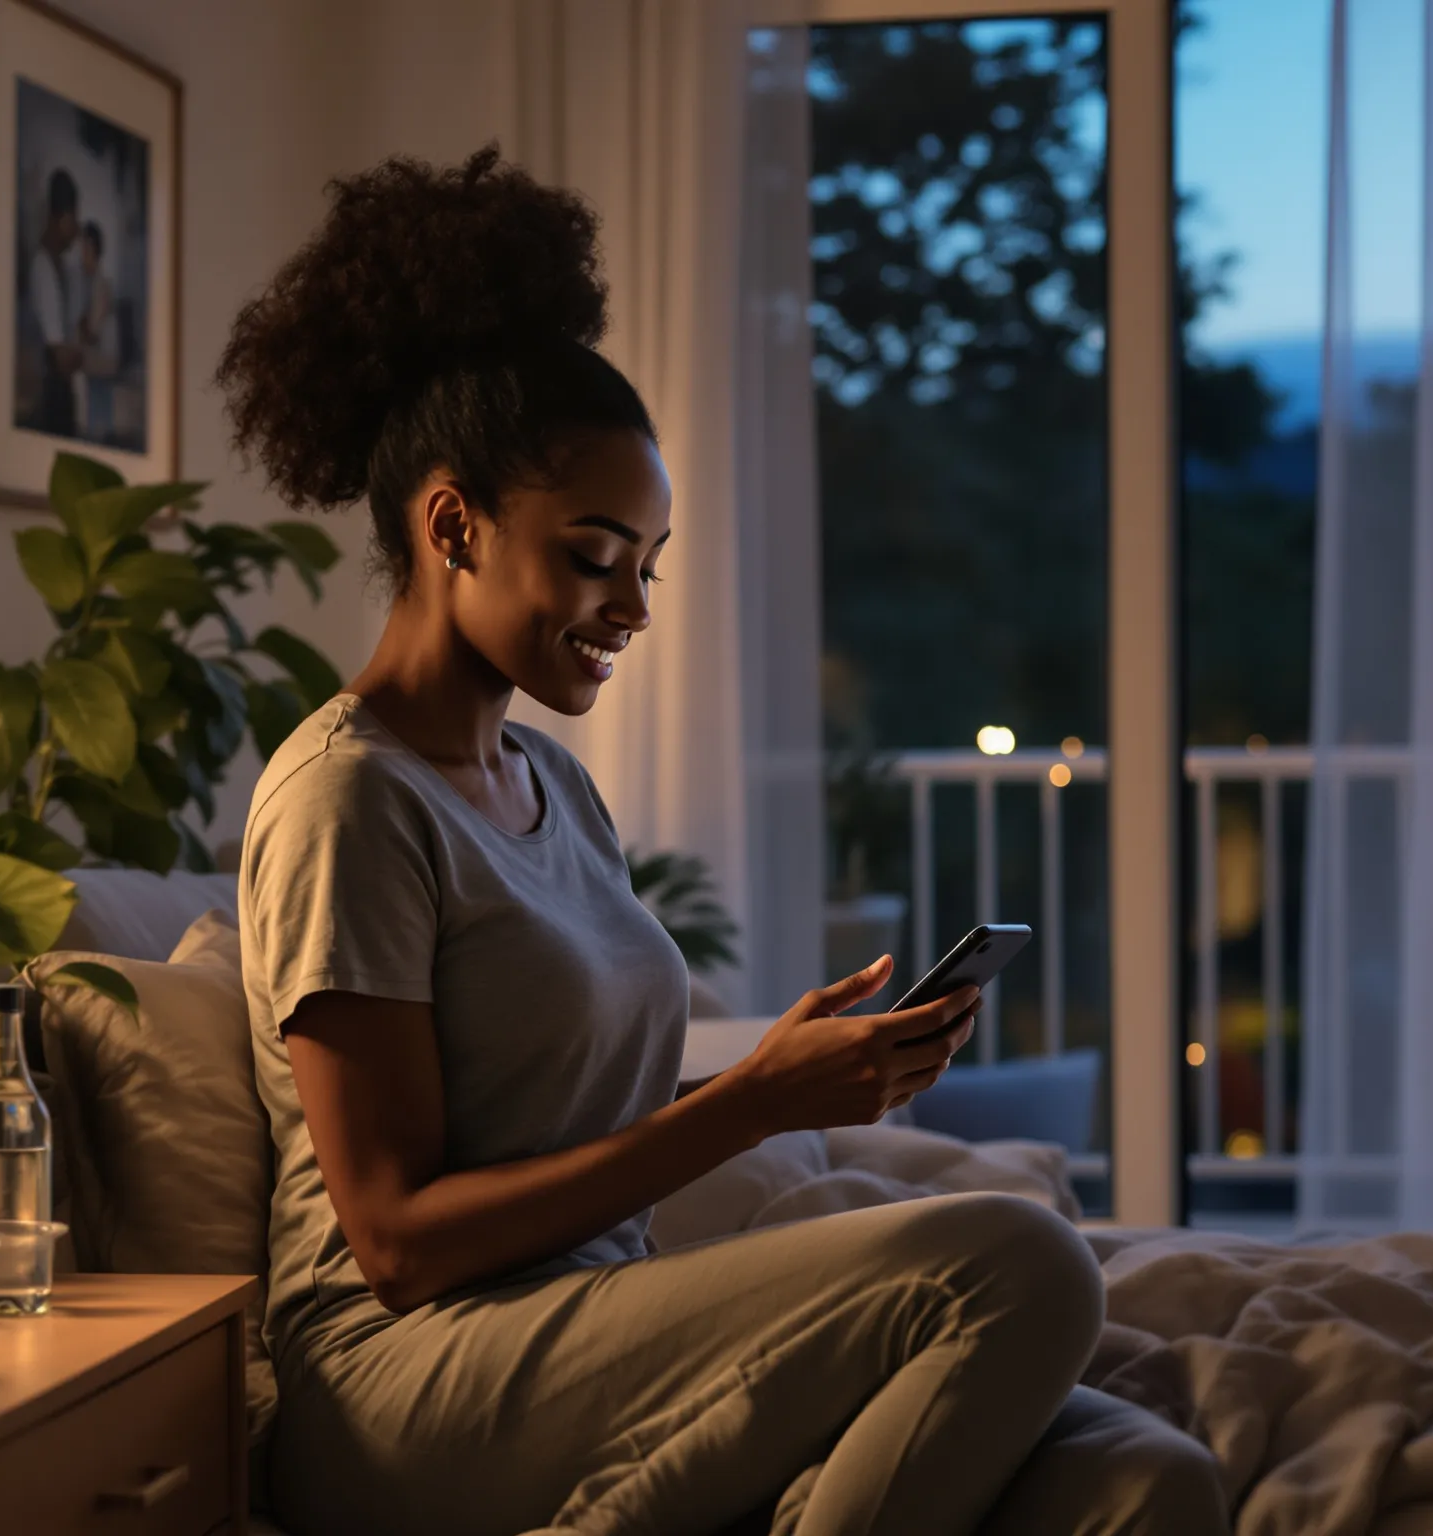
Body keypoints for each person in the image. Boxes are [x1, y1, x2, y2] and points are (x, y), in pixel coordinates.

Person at [216, 147, 1224, 1536]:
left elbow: (561, 1122)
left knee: (1150, 1483)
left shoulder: (554, 793)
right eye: (593, 554)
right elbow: (393, 1242)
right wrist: (753, 1107)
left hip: (588, 1326)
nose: (630, 606)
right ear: (451, 523)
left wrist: (771, 1066)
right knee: (1018, 1264)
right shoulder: (350, 801)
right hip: (412, 1383)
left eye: (649, 565)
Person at [23, 167, 83, 437]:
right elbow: (59, 355)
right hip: (49, 396)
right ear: (62, 218)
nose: (77, 229)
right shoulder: (42, 269)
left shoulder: (62, 269)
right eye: (74, 219)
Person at [74, 219, 118, 442]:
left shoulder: (101, 284)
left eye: (85, 247)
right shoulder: (88, 282)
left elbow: (93, 328)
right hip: (95, 364)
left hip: (101, 362)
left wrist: (81, 328)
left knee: (99, 424)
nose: (82, 254)